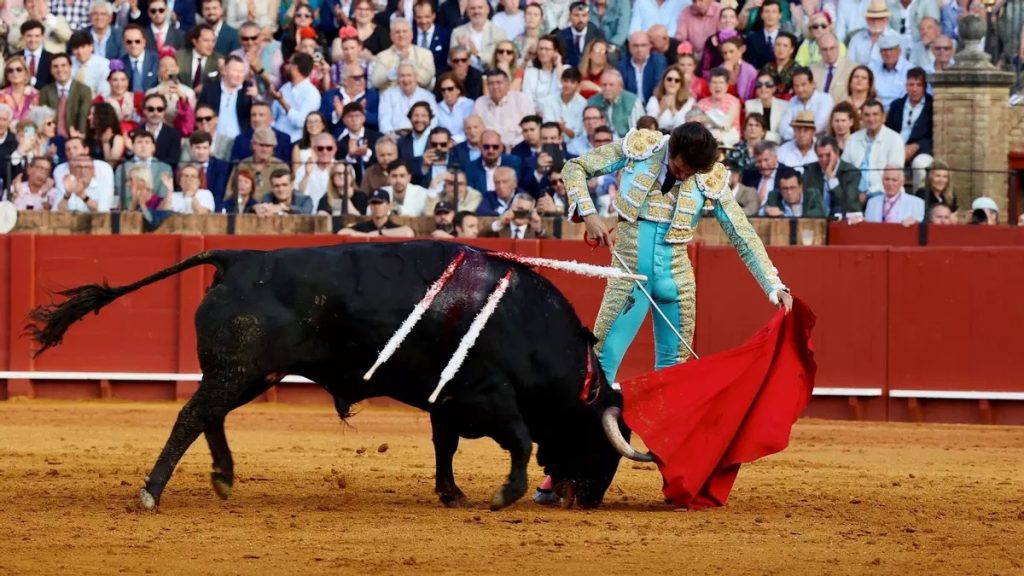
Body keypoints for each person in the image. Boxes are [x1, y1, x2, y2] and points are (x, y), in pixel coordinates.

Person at [565, 121, 793, 389]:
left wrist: (773, 284)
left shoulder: (708, 175)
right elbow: (575, 167)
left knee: (674, 373)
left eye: (691, 173)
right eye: (678, 169)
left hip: (677, 281)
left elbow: (742, 234)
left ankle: (664, 432)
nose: (684, 178)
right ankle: (591, 430)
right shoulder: (642, 148)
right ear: (669, 152)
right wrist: (589, 214)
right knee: (603, 360)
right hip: (629, 278)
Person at [841, 99, 903, 199]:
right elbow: (844, 169)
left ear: (883, 117)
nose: (871, 119)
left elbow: (893, 175)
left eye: (875, 114)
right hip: (854, 193)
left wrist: (867, 194)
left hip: (882, 192)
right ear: (862, 118)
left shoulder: (894, 139)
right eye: (867, 115)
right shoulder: (853, 138)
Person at [884, 67, 933, 190]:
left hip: (921, 150)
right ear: (906, 86)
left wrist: (917, 146)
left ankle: (919, 200)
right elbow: (888, 130)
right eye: (911, 84)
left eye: (919, 85)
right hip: (895, 147)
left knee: (921, 165)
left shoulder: (932, 105)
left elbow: (934, 135)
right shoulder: (896, 105)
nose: (914, 89)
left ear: (925, 87)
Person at [270, 53, 323, 143]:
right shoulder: (285, 87)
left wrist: (282, 102)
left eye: (289, 63)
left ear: (295, 67)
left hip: (295, 142)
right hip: (275, 139)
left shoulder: (312, 93)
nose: (286, 67)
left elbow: (301, 122)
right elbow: (273, 115)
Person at [803, 136, 862, 218]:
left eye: (828, 155)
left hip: (842, 221)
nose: (824, 159)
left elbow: (847, 204)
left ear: (837, 153)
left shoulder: (851, 172)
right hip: (817, 220)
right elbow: (808, 203)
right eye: (820, 156)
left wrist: (831, 177)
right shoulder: (810, 171)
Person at [370, 18, 435, 91]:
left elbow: (426, 80)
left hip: (418, 98)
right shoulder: (382, 56)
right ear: (391, 36)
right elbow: (375, 82)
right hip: (390, 98)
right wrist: (393, 71)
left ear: (411, 35)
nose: (401, 35)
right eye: (397, 32)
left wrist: (407, 61)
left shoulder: (425, 54)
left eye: (404, 31)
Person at [39, 53, 93, 139]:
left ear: (70, 67)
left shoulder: (84, 90)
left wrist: (79, 137)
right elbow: (44, 119)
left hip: (76, 138)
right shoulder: (45, 91)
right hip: (52, 138)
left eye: (63, 65)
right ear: (51, 70)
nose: (60, 69)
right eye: (55, 66)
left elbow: (83, 115)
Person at [450, 0, 507, 71]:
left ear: (487, 10)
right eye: (472, 8)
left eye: (480, 8)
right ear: (467, 12)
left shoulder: (499, 33)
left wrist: (476, 53)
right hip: (465, 77)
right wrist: (462, 50)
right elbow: (451, 61)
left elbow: (499, 60)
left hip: (492, 75)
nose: (476, 11)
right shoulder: (458, 32)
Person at [777, 67, 831, 141]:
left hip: (820, 143)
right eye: (796, 86)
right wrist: (801, 134)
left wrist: (795, 131)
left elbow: (818, 127)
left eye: (803, 85)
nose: (800, 89)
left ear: (813, 84)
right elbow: (782, 128)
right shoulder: (793, 100)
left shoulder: (825, 99)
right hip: (794, 143)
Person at [589, 69, 644, 139]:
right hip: (598, 143)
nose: (607, 88)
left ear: (620, 87)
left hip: (625, 144)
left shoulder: (633, 101)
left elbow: (637, 132)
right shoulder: (592, 101)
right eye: (604, 85)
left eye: (611, 85)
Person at [337, 188, 415, 236]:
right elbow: (341, 232)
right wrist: (365, 235)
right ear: (370, 206)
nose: (377, 206)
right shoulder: (363, 227)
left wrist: (380, 233)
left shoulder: (392, 227)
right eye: (373, 203)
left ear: (389, 205)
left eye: (380, 203)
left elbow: (409, 233)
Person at [618, 31, 667, 103]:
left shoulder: (658, 61)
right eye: (635, 45)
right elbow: (622, 92)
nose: (639, 50)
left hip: (654, 105)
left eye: (643, 45)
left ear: (650, 46)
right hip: (631, 106)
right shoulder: (622, 65)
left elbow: (659, 86)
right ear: (629, 47)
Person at [808, 32, 854, 102]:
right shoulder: (811, 70)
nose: (828, 53)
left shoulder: (852, 69)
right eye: (824, 49)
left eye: (832, 48)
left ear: (838, 47)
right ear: (819, 50)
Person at [645, 65, 694, 131]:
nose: (672, 82)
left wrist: (673, 110)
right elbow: (649, 128)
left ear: (681, 84)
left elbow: (684, 127)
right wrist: (661, 111)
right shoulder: (654, 100)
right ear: (663, 81)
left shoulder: (688, 101)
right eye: (669, 79)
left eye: (677, 80)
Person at [744, 72, 786, 141]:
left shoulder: (784, 106)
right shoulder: (749, 105)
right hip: (757, 145)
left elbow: (783, 135)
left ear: (774, 88)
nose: (763, 88)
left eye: (768, 85)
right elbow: (749, 132)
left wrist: (762, 134)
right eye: (759, 85)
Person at [761, 31, 798, 98]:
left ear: (791, 49)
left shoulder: (797, 69)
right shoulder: (767, 67)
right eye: (778, 45)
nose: (781, 49)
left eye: (785, 46)